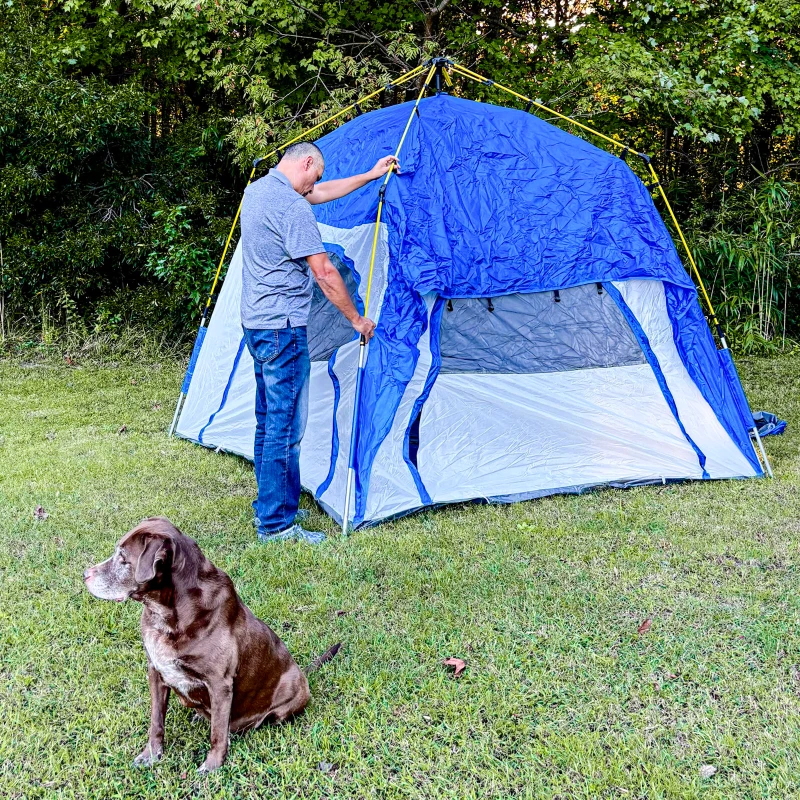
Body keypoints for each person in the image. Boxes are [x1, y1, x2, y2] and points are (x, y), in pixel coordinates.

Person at [240, 141, 399, 543]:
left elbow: (319, 194)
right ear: (307, 162)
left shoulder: (257, 191)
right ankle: (276, 525)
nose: (318, 182)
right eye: (318, 173)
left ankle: (267, 506)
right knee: (285, 427)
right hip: (284, 328)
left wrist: (368, 175)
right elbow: (325, 272)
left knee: (268, 421)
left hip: (257, 324)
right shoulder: (291, 207)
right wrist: (357, 320)